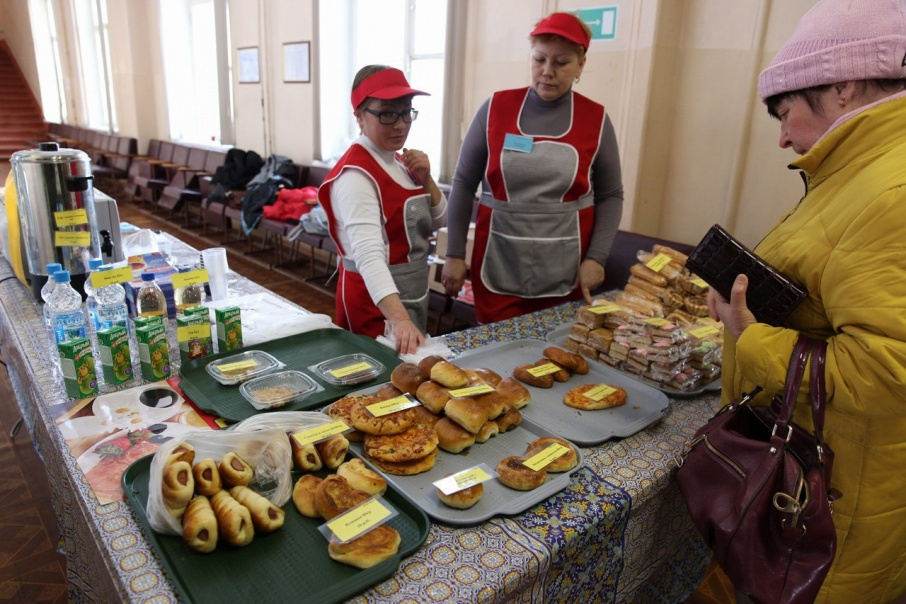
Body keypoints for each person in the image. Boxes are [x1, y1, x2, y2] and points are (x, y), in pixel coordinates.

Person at [706, 0, 906, 601]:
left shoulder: (891, 191)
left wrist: (750, 332)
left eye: (785, 110)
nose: (784, 136)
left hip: (828, 506)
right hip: (820, 480)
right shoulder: (856, 171)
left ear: (842, 84)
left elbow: (885, 368)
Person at [441, 11, 624, 324]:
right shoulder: (495, 110)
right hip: (498, 263)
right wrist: (455, 253)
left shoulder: (596, 120)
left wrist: (596, 257)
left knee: (554, 361)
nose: (547, 72)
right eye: (539, 59)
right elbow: (463, 183)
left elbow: (611, 194)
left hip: (565, 271)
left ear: (580, 65)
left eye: (561, 63)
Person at [318, 66, 446, 354]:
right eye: (388, 114)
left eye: (406, 112)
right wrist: (399, 319)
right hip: (375, 304)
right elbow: (368, 256)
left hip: (410, 294)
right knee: (376, 389)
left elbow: (439, 219)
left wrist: (427, 178)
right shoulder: (356, 175)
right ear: (360, 117)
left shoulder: (400, 161)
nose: (400, 124)